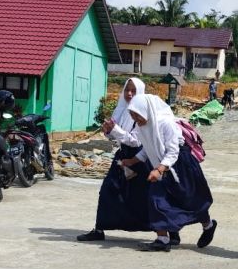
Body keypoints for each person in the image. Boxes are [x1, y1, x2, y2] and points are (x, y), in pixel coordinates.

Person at [123, 94, 218, 252]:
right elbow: (148, 148)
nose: (135, 119)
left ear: (146, 111)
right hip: (161, 168)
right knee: (155, 200)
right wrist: (132, 160)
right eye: (132, 115)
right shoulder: (141, 127)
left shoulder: (166, 123)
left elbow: (174, 151)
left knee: (191, 202)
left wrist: (159, 169)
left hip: (181, 166)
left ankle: (208, 225)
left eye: (137, 115)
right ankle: (163, 239)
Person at [77, 78, 162, 242]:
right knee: (108, 190)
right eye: (127, 90)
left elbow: (136, 141)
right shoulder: (121, 109)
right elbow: (117, 137)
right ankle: (99, 228)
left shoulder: (142, 112)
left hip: (140, 159)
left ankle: (169, 232)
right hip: (122, 157)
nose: (129, 94)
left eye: (133, 91)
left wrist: (115, 130)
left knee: (149, 196)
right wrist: (109, 131)